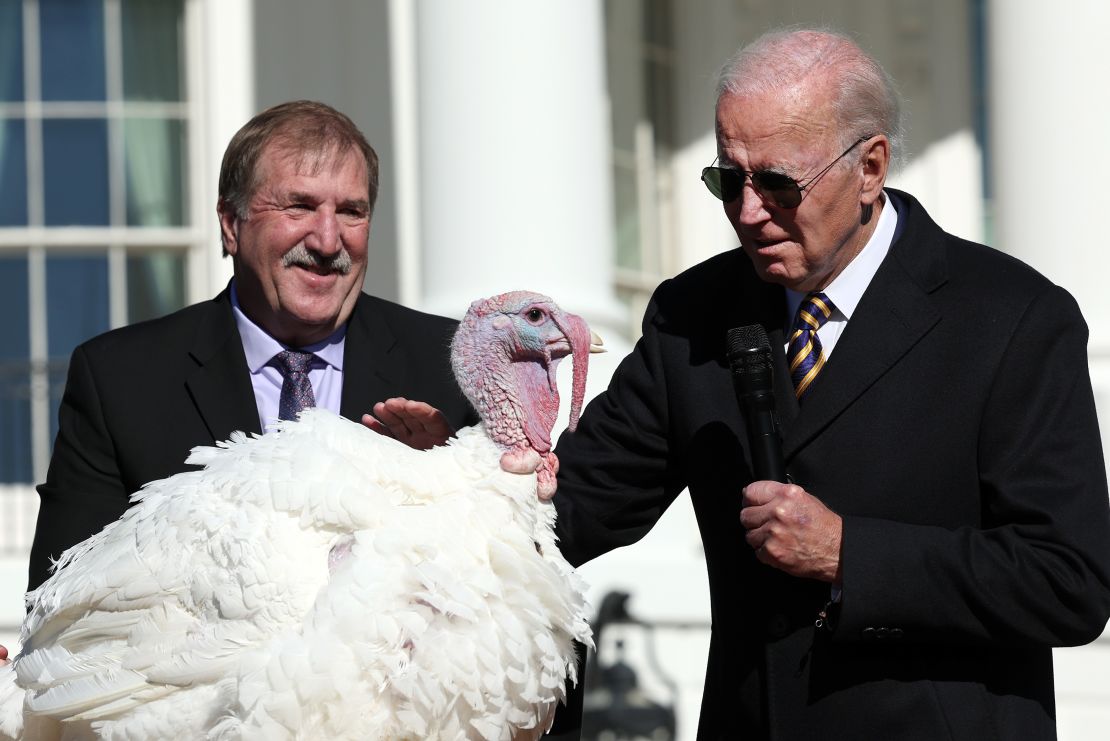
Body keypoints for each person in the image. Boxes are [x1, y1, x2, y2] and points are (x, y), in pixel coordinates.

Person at [550, 29, 1110, 739]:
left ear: (870, 166)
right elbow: (573, 506)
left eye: (779, 183)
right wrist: (436, 478)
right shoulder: (691, 314)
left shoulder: (1013, 319)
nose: (748, 212)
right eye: (729, 179)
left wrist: (850, 552)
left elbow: (1067, 581)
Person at [24, 100, 478, 594]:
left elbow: (516, 593)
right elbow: (64, 602)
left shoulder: (451, 365)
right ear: (230, 224)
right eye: (299, 206)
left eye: (351, 212)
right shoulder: (121, 381)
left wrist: (443, 488)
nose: (328, 242)